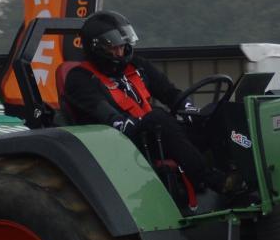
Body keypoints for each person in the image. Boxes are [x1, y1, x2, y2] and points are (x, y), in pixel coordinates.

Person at [63, 11, 225, 195]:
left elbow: (170, 93)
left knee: (216, 112)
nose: (120, 51)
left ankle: (239, 176)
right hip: (120, 143)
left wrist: (188, 108)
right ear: (96, 49)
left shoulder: (136, 65)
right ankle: (209, 179)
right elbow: (107, 115)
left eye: (122, 45)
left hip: (156, 134)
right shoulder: (80, 78)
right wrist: (134, 122)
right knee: (158, 117)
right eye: (113, 47)